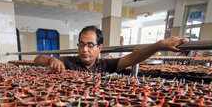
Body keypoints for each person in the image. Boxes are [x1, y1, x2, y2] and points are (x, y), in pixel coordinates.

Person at [34, 25, 187, 73]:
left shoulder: (105, 66)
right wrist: (51, 59)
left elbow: (133, 58)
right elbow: (37, 60)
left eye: (90, 45)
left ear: (100, 48)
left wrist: (158, 45)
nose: (84, 49)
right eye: (81, 44)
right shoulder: (68, 62)